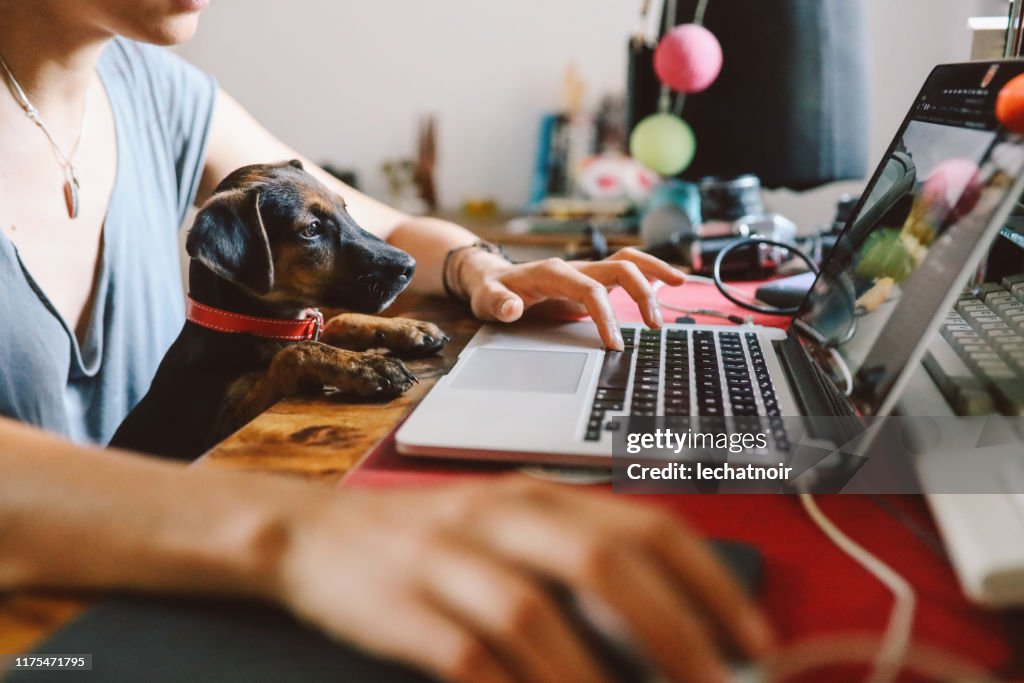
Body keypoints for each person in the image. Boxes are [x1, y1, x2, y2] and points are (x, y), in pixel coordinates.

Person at [0, 2, 774, 681]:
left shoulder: (153, 89)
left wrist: (483, 270)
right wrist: (292, 529)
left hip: (166, 571)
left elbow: (392, 231)